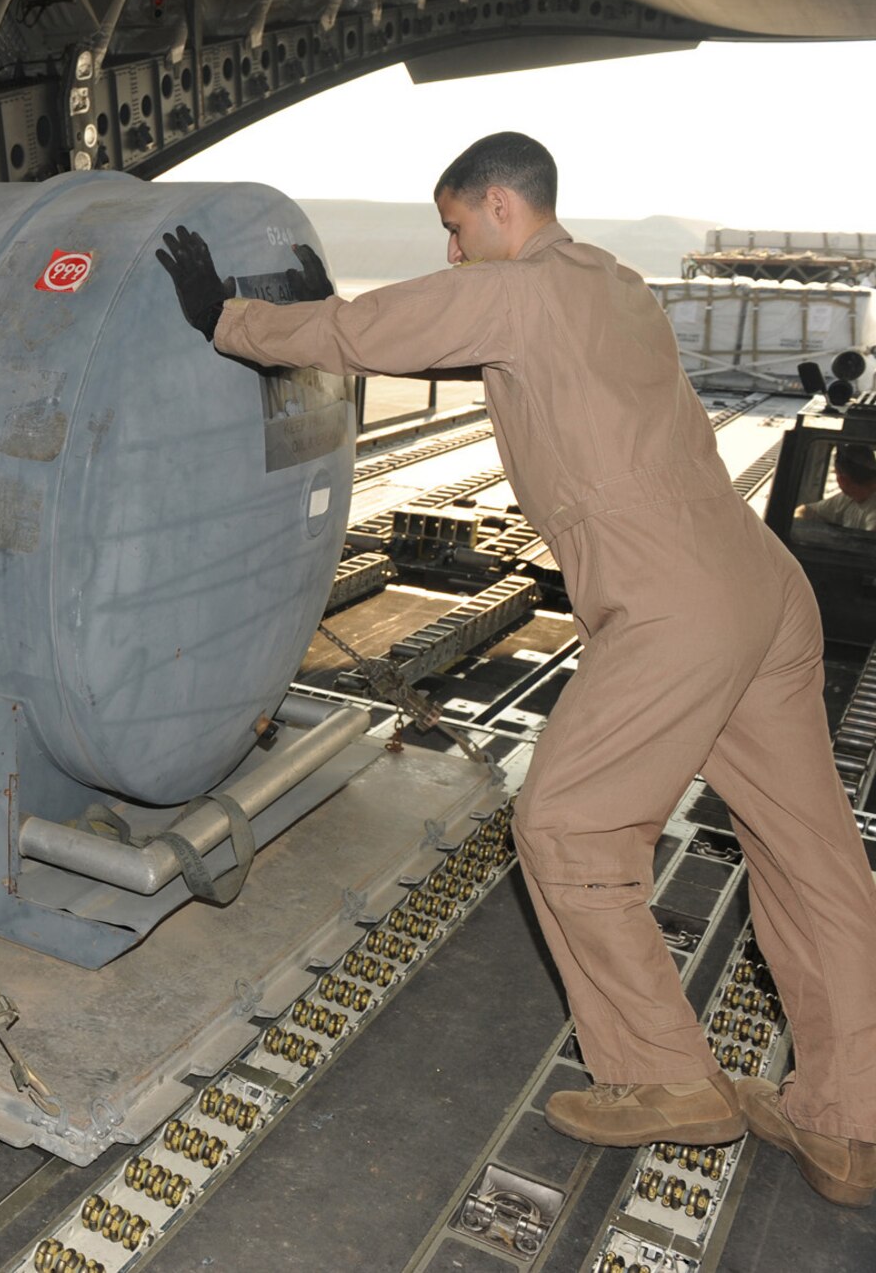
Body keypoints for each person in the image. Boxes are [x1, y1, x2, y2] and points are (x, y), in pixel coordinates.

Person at [158, 132, 876, 1208]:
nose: (449, 254)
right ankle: (851, 1124)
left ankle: (662, 1075)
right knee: (810, 855)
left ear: (499, 207)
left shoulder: (523, 287)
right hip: (760, 588)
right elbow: (454, 340)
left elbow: (371, 327)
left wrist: (228, 318)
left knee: (563, 823)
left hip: (675, 601)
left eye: (452, 229)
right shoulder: (613, 284)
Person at [796, 443, 876, 531]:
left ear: (842, 479)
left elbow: (867, 543)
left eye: (836, 473)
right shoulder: (848, 498)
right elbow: (806, 510)